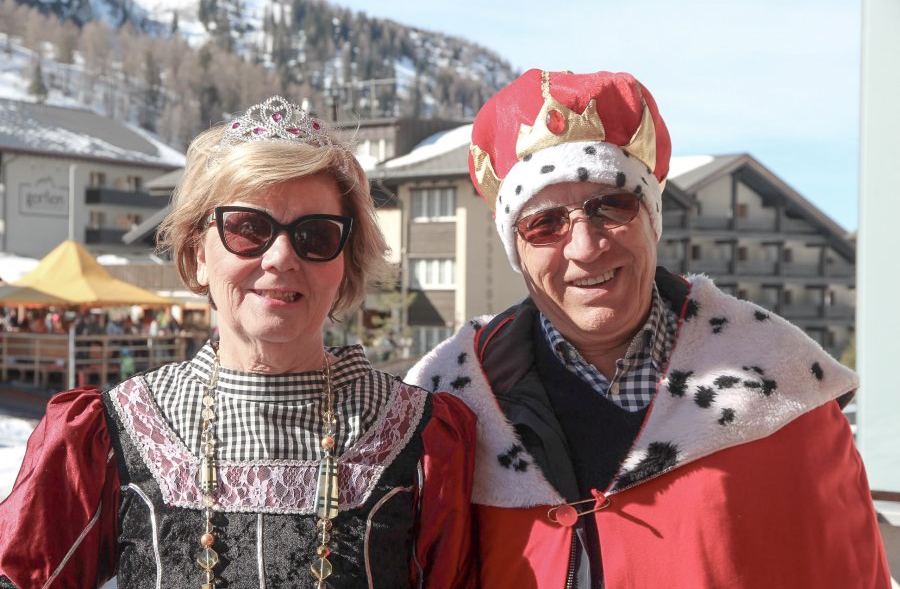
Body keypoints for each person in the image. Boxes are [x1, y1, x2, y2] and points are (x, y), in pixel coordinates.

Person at [406, 69, 891, 588]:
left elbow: (847, 571)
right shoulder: (447, 410)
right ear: (517, 249)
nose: (585, 247)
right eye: (544, 223)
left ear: (651, 219)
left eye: (612, 206)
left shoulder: (783, 388)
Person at [0, 96, 476, 588]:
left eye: (315, 235)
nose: (281, 258)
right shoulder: (109, 434)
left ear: (345, 262)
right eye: (248, 228)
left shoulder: (422, 438)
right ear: (197, 253)